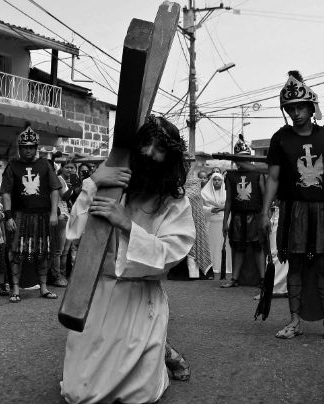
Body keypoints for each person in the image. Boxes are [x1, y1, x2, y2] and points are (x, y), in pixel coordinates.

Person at [60, 116, 195, 404]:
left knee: (138, 396)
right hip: (99, 294)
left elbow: (171, 253)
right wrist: (94, 182)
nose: (149, 152)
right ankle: (162, 351)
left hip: (139, 298)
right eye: (145, 144)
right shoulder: (112, 186)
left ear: (170, 157)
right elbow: (74, 231)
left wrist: (126, 225)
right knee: (76, 394)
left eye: (159, 148)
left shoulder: (175, 203)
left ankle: (160, 355)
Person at [260, 71, 324, 342]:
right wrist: (264, 211)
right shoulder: (280, 138)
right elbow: (273, 177)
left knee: (323, 265)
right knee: (295, 266)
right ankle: (295, 321)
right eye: (291, 108)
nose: (296, 112)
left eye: (300, 107)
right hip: (293, 210)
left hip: (323, 210)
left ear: (311, 107)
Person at [2, 126, 61, 302]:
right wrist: (8, 216)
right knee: (17, 251)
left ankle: (43, 288)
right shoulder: (12, 165)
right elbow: (5, 192)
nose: (28, 150)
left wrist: (53, 213)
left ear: (36, 147)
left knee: (43, 251)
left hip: (43, 214)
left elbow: (55, 189)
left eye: (31, 146)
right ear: (19, 148)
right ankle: (15, 289)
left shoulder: (45, 164)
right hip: (20, 214)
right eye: (25, 147)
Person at [222, 137, 265, 288]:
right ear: (235, 160)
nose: (242, 162)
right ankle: (235, 279)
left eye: (245, 158)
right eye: (240, 159)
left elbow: (265, 197)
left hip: (255, 216)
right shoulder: (230, 176)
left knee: (258, 248)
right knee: (238, 248)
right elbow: (228, 201)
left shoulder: (258, 174)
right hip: (238, 217)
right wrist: (225, 221)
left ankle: (262, 279)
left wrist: (266, 216)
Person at [184, 165, 212, 279]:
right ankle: (184, 273)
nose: (186, 168)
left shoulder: (196, 183)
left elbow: (193, 197)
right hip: (180, 219)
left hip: (196, 218)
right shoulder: (175, 183)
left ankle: (196, 273)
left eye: (188, 165)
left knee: (196, 242)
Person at [202, 172, 231, 277]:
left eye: (219, 180)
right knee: (212, 244)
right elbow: (200, 207)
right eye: (214, 180)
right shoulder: (204, 192)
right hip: (211, 221)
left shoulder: (226, 192)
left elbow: (230, 204)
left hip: (224, 221)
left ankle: (225, 266)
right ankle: (212, 266)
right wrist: (211, 209)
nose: (217, 182)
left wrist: (224, 208)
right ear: (211, 181)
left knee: (224, 244)